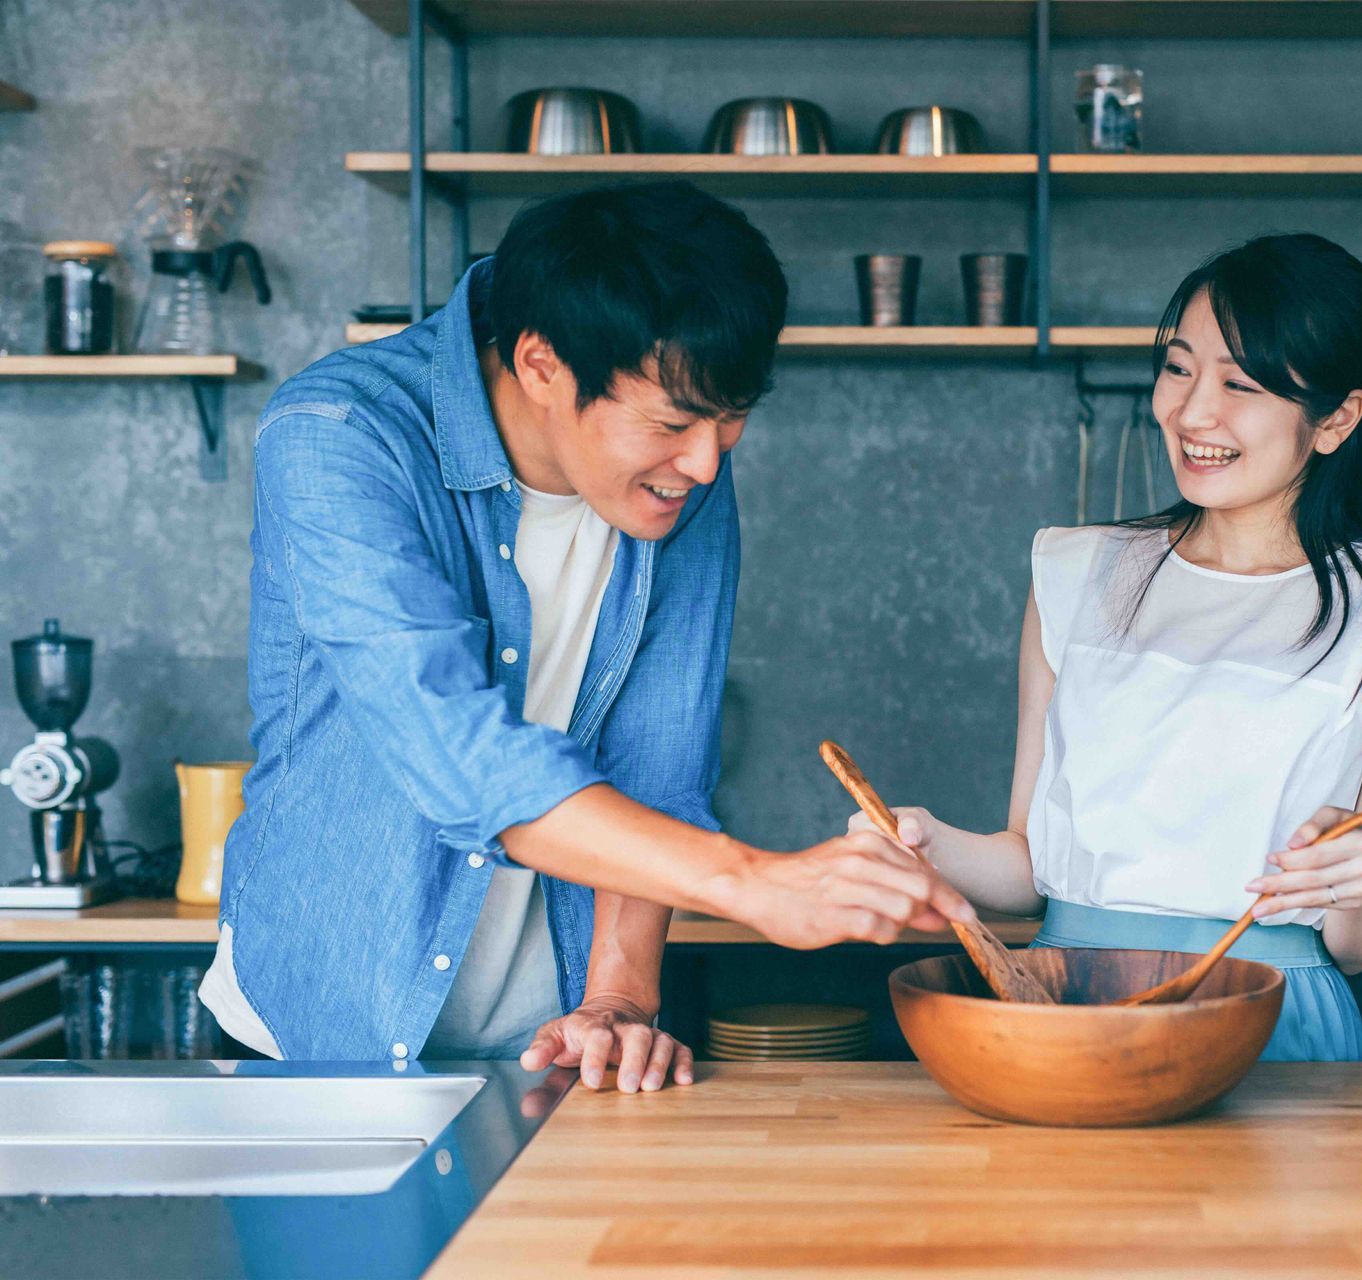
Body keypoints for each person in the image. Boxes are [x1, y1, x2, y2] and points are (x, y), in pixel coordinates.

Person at [201, 183, 971, 1088]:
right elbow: (454, 751)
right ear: (540, 365)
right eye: (674, 422)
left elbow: (661, 763)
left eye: (732, 419)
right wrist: (753, 882)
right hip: (324, 1027)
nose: (707, 462)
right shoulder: (339, 436)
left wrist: (619, 1000)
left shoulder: (684, 481)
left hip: (551, 1046)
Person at [853, 233, 1362, 1060]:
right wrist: (929, 842)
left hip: (1272, 1024)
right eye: (1179, 368)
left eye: (1240, 384)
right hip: (1065, 1014)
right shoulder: (1078, 573)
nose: (1191, 413)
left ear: (1337, 419)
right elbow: (1031, 868)